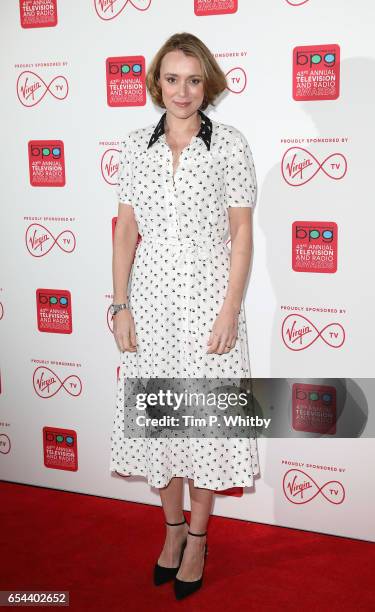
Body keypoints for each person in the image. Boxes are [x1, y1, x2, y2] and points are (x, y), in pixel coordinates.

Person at [109, 32, 259, 600]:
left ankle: (197, 539)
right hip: (150, 305)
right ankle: (170, 534)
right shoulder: (132, 146)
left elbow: (241, 235)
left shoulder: (231, 145)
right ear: (156, 83)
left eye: (193, 79)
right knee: (160, 426)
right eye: (171, 78)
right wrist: (120, 304)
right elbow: (126, 230)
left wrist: (230, 312)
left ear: (208, 83)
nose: (182, 90)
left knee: (203, 428)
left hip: (207, 305)